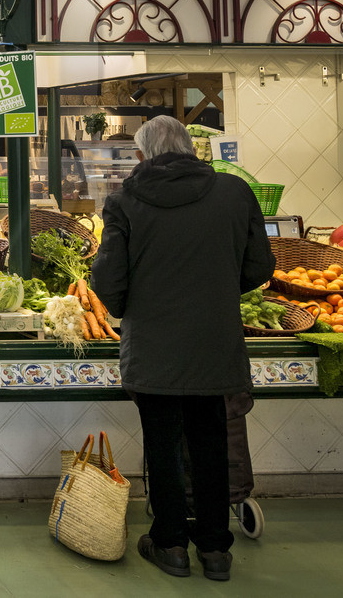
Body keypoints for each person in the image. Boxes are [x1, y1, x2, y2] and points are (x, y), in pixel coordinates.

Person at [90, 115, 274, 583]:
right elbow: (260, 265)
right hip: (214, 342)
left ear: (143, 154)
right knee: (211, 442)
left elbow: (108, 279)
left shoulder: (124, 201)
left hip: (153, 346)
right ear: (191, 148)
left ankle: (170, 543)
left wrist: (134, 308)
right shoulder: (235, 193)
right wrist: (218, 291)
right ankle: (215, 548)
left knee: (163, 444)